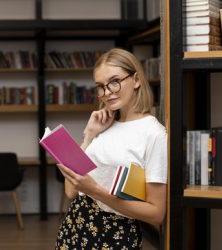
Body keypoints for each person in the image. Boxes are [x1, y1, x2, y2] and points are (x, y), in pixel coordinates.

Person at [55, 48, 167, 249]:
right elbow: (71, 191)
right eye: (101, 86)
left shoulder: (154, 134)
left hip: (115, 233)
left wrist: (96, 191)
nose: (107, 93)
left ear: (136, 80)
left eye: (115, 82)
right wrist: (89, 135)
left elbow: (156, 213)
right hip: (75, 226)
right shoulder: (103, 125)